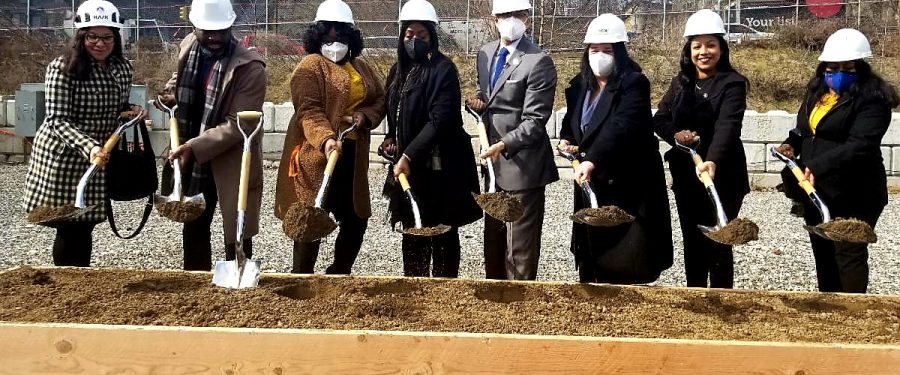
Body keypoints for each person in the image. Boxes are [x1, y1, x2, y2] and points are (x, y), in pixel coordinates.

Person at [775, 29, 898, 293]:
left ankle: (853, 314)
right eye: (832, 67)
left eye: (848, 68)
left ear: (861, 68)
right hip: (816, 189)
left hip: (855, 191)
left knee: (848, 254)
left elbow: (860, 145)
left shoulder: (872, 100)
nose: (838, 74)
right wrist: (791, 144)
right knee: (823, 251)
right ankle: (829, 308)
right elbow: (804, 129)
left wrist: (816, 166)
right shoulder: (818, 94)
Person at [24, 0, 145, 267]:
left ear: (116, 38)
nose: (100, 43)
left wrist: (131, 110)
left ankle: (79, 277)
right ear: (80, 37)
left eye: (107, 37)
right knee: (70, 224)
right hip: (65, 155)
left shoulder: (122, 68)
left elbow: (116, 106)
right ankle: (68, 280)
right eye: (92, 36)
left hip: (101, 154)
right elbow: (57, 119)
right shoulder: (61, 68)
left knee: (86, 221)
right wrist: (89, 147)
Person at [558, 14, 673, 284]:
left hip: (628, 184)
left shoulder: (633, 84)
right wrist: (567, 139)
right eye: (594, 49)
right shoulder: (579, 86)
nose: (599, 55)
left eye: (607, 50)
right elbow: (573, 123)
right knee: (593, 257)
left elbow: (622, 126)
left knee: (626, 261)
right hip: (592, 183)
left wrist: (592, 159)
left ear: (619, 51)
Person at [274, 0, 386, 274]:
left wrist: (365, 116)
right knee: (310, 218)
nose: (335, 43)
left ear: (351, 38)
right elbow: (308, 111)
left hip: (352, 156)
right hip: (316, 157)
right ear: (318, 37)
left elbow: (381, 98)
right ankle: (302, 274)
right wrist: (325, 139)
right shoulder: (309, 67)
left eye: (341, 36)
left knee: (356, 218)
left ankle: (339, 270)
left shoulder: (362, 67)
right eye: (328, 36)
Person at [155, 0, 267, 271]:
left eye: (221, 30)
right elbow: (179, 77)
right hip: (194, 153)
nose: (215, 37)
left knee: (237, 224)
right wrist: (171, 91)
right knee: (193, 221)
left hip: (232, 156)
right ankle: (195, 278)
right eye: (208, 31)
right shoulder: (189, 47)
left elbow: (238, 125)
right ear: (194, 27)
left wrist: (193, 146)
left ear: (231, 26)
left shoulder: (250, 67)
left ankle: (238, 274)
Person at [380, 0, 481, 278]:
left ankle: (445, 290)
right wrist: (391, 138)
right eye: (409, 35)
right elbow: (396, 112)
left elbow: (440, 119)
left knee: (443, 231)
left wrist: (408, 156)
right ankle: (415, 285)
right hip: (411, 169)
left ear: (432, 36)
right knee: (413, 229)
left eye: (421, 35)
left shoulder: (443, 70)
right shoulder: (397, 71)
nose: (414, 41)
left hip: (441, 166)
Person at [652, 9, 749, 288]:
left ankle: (722, 300)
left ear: (721, 47)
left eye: (710, 45)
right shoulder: (680, 83)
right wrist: (676, 135)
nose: (703, 52)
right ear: (689, 50)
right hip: (686, 174)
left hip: (723, 174)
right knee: (692, 239)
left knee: (719, 240)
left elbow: (727, 127)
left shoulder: (732, 83)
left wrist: (713, 160)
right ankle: (695, 294)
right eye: (697, 46)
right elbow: (660, 119)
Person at [466, 0, 558, 281]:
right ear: (494, 19)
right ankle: (496, 308)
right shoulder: (485, 53)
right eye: (505, 15)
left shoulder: (538, 61)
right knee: (493, 246)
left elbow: (534, 121)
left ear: (528, 19)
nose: (511, 20)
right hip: (492, 167)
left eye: (517, 14)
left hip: (522, 167)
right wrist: (479, 101)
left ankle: (520, 308)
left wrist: (504, 144)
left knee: (518, 250)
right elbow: (487, 93)